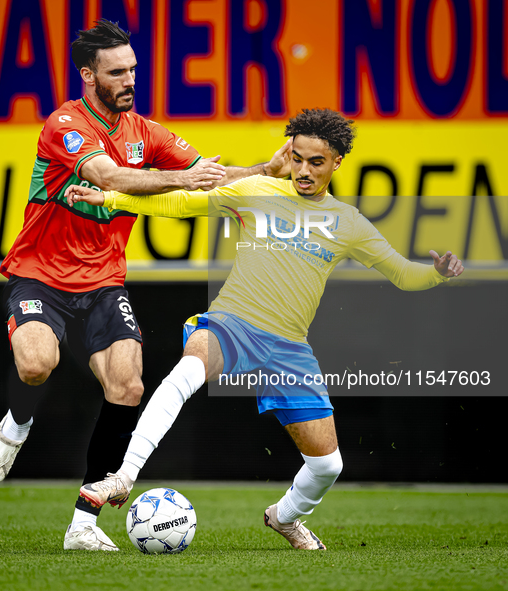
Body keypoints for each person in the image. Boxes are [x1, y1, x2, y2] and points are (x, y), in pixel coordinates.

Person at [66, 107, 464, 550]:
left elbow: (403, 273)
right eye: (297, 158)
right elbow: (181, 203)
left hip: (289, 347)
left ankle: (286, 517)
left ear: (336, 163)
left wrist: (437, 275)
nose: (304, 170)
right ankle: (124, 476)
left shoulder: (348, 222)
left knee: (328, 466)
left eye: (316, 162)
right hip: (233, 322)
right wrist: (114, 199)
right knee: (186, 371)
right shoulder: (257, 190)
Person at [0, 18, 291, 552]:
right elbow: (108, 177)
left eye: (133, 70)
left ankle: (84, 524)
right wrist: (179, 179)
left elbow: (209, 173)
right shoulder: (64, 125)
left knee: (127, 387)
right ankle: (19, 420)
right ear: (88, 76)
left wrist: (268, 168)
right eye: (117, 72)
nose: (129, 80)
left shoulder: (148, 132)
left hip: (104, 280)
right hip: (41, 273)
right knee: (35, 365)